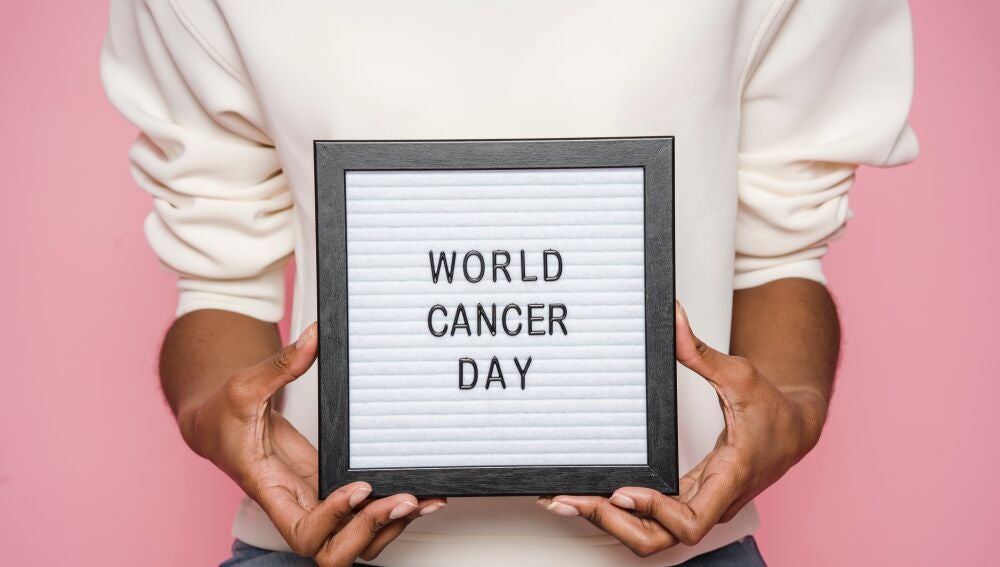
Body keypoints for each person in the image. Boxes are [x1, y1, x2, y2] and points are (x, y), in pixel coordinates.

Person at [101, 1, 918, 565]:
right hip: (318, 545)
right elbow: (218, 278)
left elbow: (779, 249)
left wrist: (793, 408)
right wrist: (218, 417)